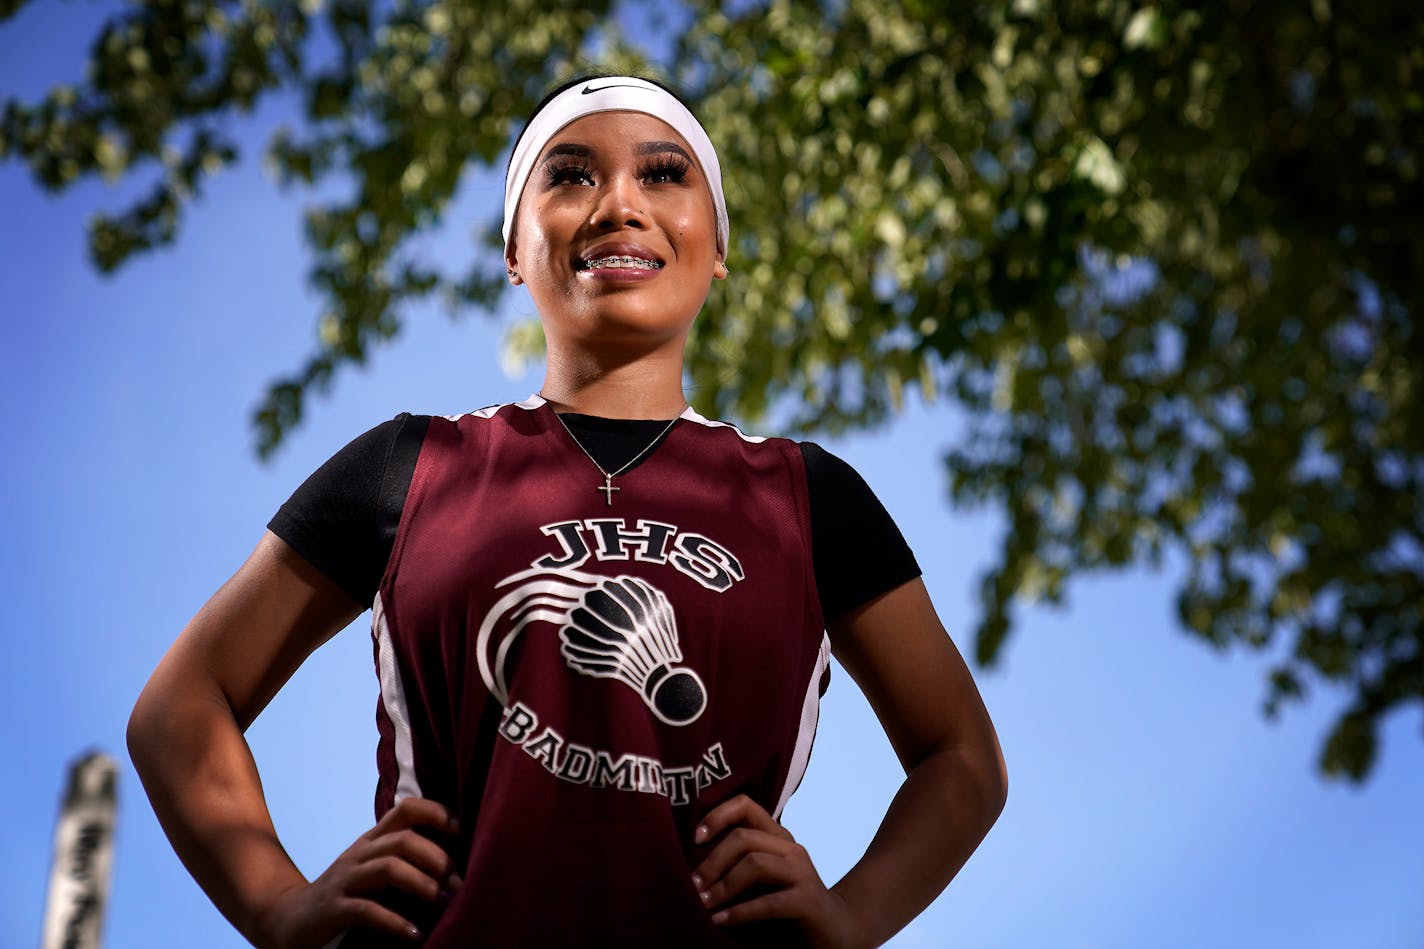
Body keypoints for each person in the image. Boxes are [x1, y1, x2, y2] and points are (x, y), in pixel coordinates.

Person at [128, 74, 1007, 949]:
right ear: (515, 249)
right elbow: (179, 709)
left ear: (719, 246)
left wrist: (854, 917)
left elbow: (962, 756)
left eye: (664, 174)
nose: (620, 203)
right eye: (572, 175)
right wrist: (277, 906)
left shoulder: (805, 495)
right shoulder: (408, 467)